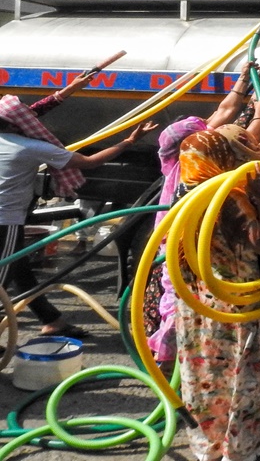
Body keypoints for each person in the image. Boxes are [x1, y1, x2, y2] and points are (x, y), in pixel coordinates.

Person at [0, 94, 157, 337]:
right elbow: (90, 162)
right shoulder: (30, 147)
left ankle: (52, 320)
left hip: (7, 216)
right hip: (5, 219)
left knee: (20, 271)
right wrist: (129, 141)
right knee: (3, 278)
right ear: (17, 124)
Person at [146, 61, 260, 363]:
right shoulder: (213, 183)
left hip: (173, 238)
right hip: (190, 249)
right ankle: (169, 350)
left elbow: (224, 119)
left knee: (178, 292)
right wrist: (258, 104)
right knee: (183, 298)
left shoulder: (183, 159)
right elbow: (228, 122)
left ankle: (169, 354)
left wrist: (248, 81)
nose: (209, 123)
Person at [173, 126, 260, 461]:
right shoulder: (228, 194)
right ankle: (241, 448)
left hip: (197, 299)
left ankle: (208, 446)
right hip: (237, 298)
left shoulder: (185, 188)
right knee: (241, 373)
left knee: (205, 374)